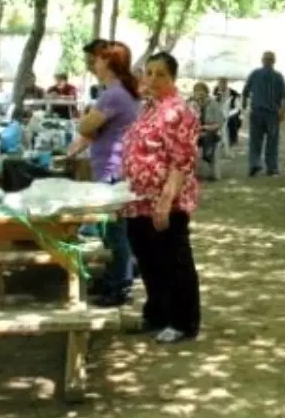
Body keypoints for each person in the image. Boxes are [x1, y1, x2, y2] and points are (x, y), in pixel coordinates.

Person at [120, 51, 202, 343]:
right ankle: (157, 314)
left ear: (173, 78)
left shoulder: (181, 111)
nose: (152, 79)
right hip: (138, 199)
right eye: (149, 72)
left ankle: (183, 322)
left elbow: (182, 162)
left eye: (160, 74)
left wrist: (166, 200)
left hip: (167, 201)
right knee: (147, 260)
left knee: (174, 260)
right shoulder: (148, 108)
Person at [65, 41, 141, 307]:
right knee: (112, 231)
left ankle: (119, 286)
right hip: (115, 167)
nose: (92, 64)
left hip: (113, 170)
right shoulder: (119, 92)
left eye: (95, 59)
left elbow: (87, 126)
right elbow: (90, 132)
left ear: (108, 62)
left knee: (114, 232)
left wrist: (86, 118)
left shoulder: (113, 95)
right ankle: (116, 278)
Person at [243, 50, 285, 177]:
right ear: (262, 60)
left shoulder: (278, 77)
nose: (267, 61)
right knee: (255, 140)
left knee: (272, 141)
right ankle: (254, 165)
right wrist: (245, 107)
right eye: (266, 59)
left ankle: (272, 167)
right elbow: (245, 91)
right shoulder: (255, 74)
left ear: (274, 61)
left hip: (272, 114)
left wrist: (283, 110)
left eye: (270, 59)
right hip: (257, 112)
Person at [189, 82, 225, 168]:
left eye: (201, 91)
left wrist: (205, 127)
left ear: (206, 92)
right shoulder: (191, 103)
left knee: (207, 136)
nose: (199, 94)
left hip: (210, 132)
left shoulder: (213, 104)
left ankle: (208, 155)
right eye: (196, 91)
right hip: (195, 133)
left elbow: (219, 123)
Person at [213, 77, 241, 146]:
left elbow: (237, 108)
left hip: (231, 115)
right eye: (219, 83)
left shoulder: (234, 94)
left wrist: (228, 115)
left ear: (226, 83)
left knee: (231, 120)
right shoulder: (216, 93)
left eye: (223, 83)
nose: (221, 85)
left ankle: (232, 139)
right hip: (219, 114)